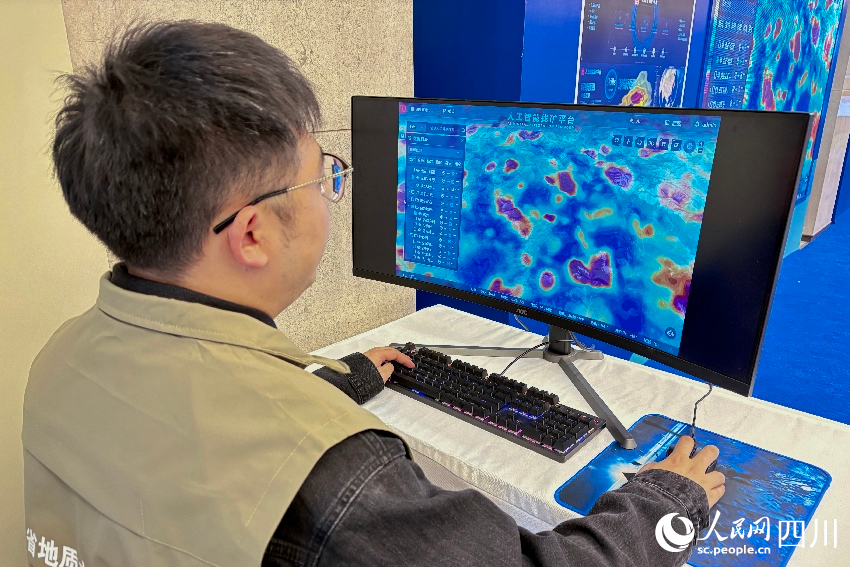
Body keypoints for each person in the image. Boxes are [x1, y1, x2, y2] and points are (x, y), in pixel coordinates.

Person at [22, 20, 725, 567]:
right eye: (324, 176)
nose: (333, 193)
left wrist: (334, 385)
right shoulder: (340, 475)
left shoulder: (62, 357)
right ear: (253, 233)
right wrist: (668, 500)